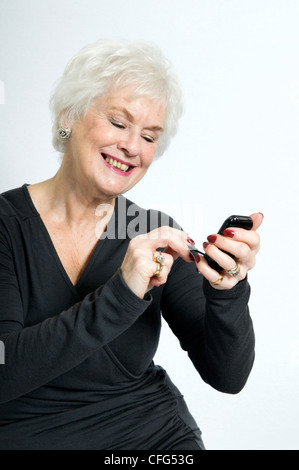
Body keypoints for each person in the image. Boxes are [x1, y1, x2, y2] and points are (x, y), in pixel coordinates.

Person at [0, 39, 262, 450]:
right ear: (69, 116)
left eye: (149, 136)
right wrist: (120, 295)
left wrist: (227, 290)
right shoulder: (5, 226)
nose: (132, 147)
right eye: (119, 123)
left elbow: (228, 377)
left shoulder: (151, 230)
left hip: (154, 438)